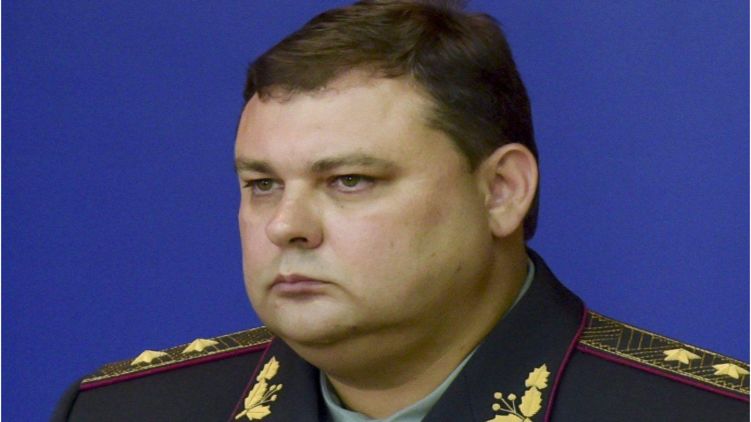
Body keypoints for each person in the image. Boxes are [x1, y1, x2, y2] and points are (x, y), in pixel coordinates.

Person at [53, 1, 748, 420]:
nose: (285, 225)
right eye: (262, 184)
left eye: (349, 180)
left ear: (501, 191)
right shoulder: (122, 412)